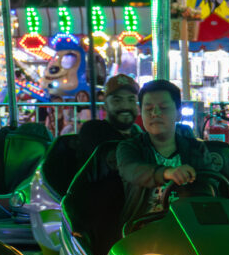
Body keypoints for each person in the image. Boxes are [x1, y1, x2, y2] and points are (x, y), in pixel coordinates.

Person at [117, 79, 213, 223]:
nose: (155, 113)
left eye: (163, 108)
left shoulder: (196, 148)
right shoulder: (130, 148)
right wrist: (167, 172)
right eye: (148, 109)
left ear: (178, 114)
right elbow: (131, 170)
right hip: (142, 228)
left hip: (188, 226)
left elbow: (208, 188)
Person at [77, 74, 141, 157]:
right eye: (117, 100)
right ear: (106, 105)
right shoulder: (94, 130)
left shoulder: (137, 133)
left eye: (131, 100)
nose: (125, 106)